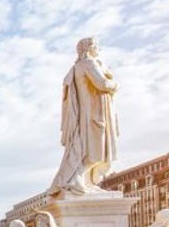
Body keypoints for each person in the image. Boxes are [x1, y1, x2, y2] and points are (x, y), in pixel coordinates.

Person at [49, 37, 118, 195]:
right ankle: (74, 178)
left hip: (86, 115)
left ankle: (83, 181)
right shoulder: (89, 64)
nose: (99, 50)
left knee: (87, 149)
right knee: (95, 150)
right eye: (97, 47)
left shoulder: (77, 67)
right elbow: (103, 84)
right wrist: (115, 84)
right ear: (91, 48)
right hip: (94, 114)